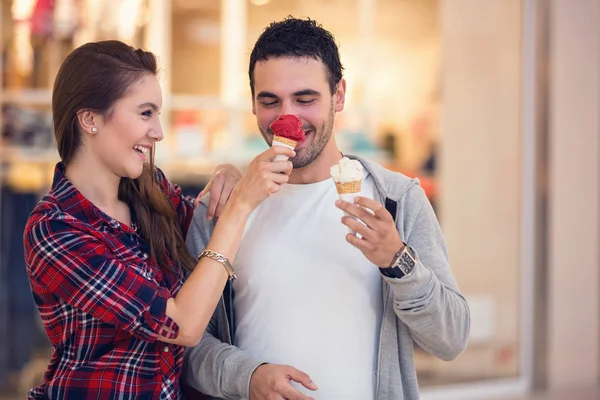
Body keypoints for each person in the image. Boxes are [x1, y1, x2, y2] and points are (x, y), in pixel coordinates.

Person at [183, 17, 470, 400]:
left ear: (338, 96)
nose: (289, 118)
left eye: (305, 99)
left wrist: (397, 260)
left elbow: (451, 339)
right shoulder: (223, 207)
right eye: (270, 101)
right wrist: (248, 377)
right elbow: (184, 346)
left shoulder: (397, 200)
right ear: (253, 103)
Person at [22, 40, 295, 399]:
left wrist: (228, 178)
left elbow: (206, 231)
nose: (158, 132)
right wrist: (240, 206)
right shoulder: (55, 230)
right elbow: (181, 325)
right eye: (145, 113)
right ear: (89, 119)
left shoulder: (152, 193)